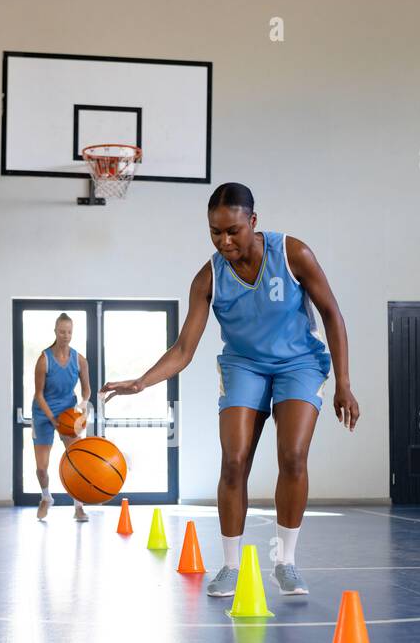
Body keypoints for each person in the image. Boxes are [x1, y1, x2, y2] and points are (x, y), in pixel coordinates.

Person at [102, 183, 359, 596]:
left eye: (233, 231)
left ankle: (286, 562)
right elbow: (184, 349)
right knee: (234, 461)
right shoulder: (208, 279)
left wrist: (344, 382)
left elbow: (332, 314)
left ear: (253, 222)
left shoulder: (293, 254)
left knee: (292, 455)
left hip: (300, 363)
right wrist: (142, 381)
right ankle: (231, 565)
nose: (224, 241)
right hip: (244, 365)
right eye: (214, 232)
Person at [32, 313, 92, 521]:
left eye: (69, 332)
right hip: (43, 412)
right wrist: (52, 419)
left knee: (76, 462)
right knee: (41, 467)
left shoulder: (79, 360)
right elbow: (38, 394)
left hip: (67, 412)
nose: (65, 335)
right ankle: (46, 497)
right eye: (61, 331)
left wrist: (83, 405)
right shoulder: (44, 360)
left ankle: (78, 506)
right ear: (55, 332)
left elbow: (87, 391)